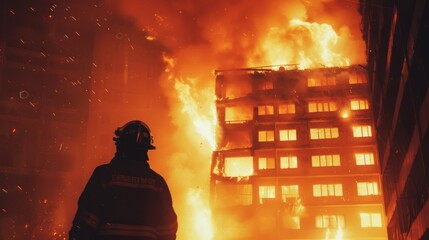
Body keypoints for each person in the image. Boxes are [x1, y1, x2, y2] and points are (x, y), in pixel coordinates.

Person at [69, 120, 177, 240]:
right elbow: (168, 230)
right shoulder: (157, 183)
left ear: (119, 144)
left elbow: (85, 223)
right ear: (146, 149)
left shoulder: (104, 175)